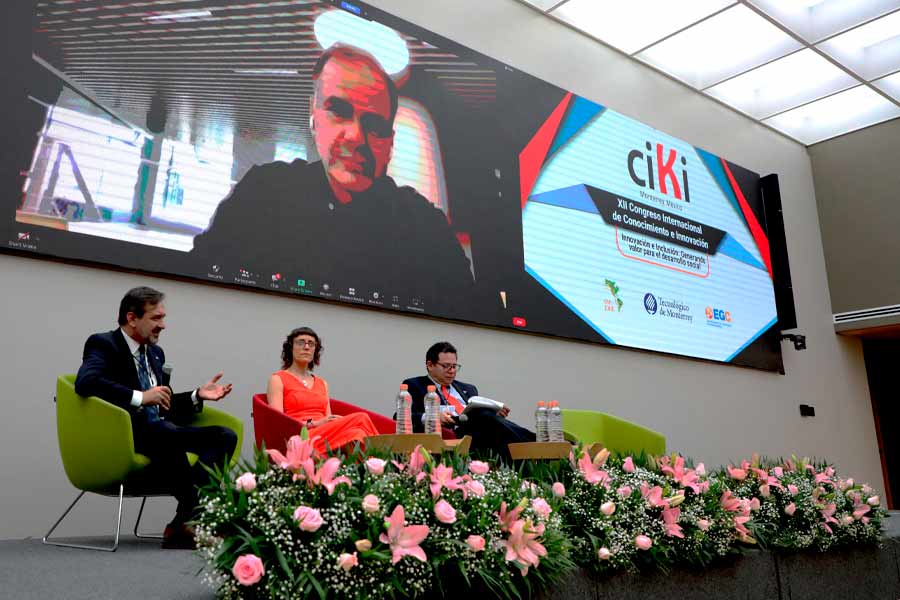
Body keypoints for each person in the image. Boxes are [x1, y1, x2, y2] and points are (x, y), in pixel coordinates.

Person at [190, 44, 473, 316]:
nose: (356, 137)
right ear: (313, 114)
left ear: (389, 143)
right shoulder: (264, 193)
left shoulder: (428, 229)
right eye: (339, 111)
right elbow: (199, 283)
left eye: (375, 126)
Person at [74, 287, 237, 549]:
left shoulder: (155, 353)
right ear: (132, 318)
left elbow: (161, 405)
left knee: (224, 436)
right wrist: (139, 397)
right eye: (156, 318)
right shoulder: (104, 343)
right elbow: (86, 382)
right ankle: (189, 523)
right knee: (168, 434)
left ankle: (185, 520)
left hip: (161, 431)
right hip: (126, 434)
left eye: (163, 318)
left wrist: (197, 395)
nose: (163, 325)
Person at [402, 341, 534, 462]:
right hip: (452, 433)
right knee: (486, 418)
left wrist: (494, 413)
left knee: (489, 421)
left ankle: (524, 462)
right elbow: (400, 417)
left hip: (477, 433)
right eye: (446, 366)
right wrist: (432, 417)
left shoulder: (468, 388)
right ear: (430, 365)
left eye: (454, 366)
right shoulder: (415, 385)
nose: (452, 371)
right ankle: (533, 442)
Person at [266, 326, 379, 455]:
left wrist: (337, 422)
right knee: (361, 418)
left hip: (325, 434)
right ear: (290, 348)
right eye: (301, 342)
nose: (307, 347)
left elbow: (328, 418)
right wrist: (315, 423)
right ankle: (388, 461)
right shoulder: (278, 379)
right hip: (300, 436)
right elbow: (277, 422)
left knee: (357, 433)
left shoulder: (322, 383)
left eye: (311, 344)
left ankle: (374, 473)